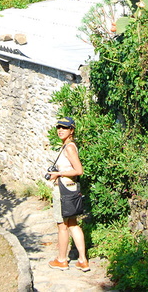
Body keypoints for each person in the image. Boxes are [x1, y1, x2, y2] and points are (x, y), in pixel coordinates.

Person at [46, 116, 90, 272]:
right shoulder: (68, 146)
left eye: (64, 127)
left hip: (63, 191)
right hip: (71, 189)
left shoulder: (69, 148)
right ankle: (83, 260)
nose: (60, 130)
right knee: (72, 224)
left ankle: (62, 260)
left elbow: (79, 170)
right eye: (58, 127)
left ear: (72, 130)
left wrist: (58, 174)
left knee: (62, 226)